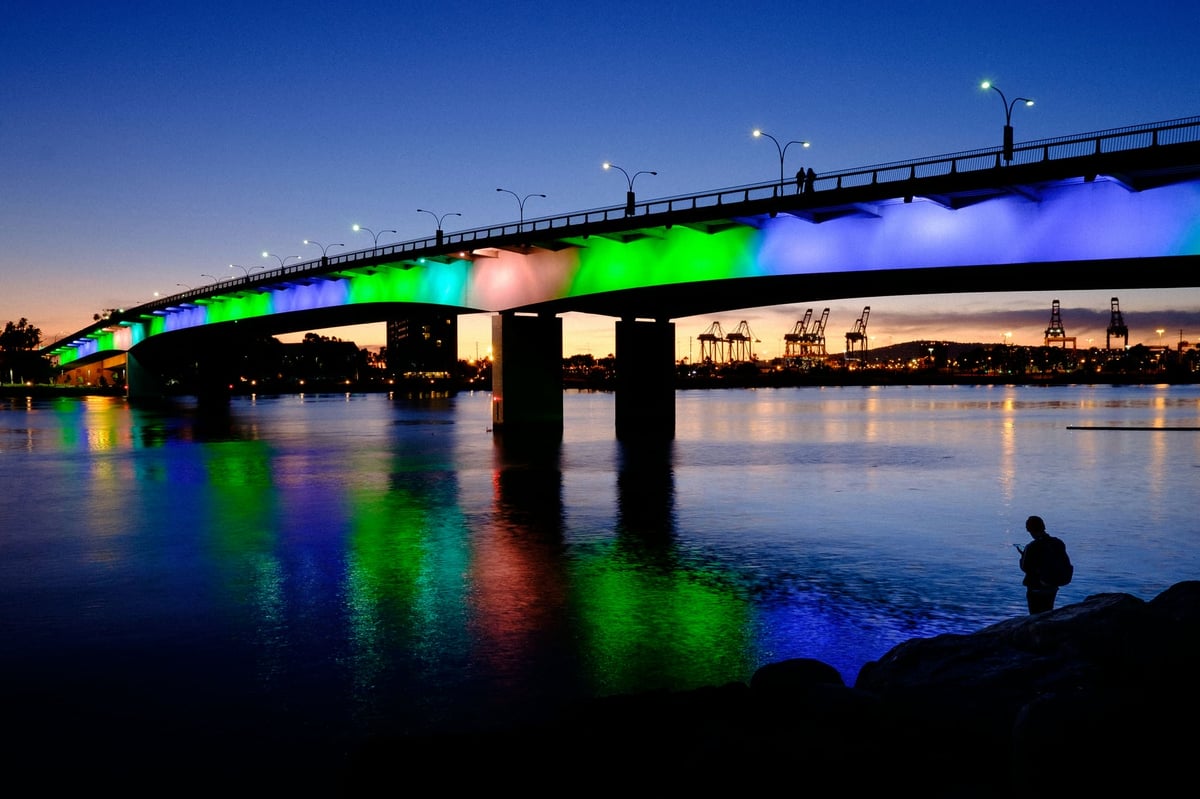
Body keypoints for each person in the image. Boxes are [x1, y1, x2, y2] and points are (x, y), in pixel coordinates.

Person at [1015, 515, 1068, 614]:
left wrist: (1023, 555)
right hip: (1053, 586)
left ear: (1030, 530)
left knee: (1035, 616)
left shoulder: (1032, 546)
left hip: (1036, 588)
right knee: (1048, 612)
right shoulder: (1058, 543)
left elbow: (1025, 567)